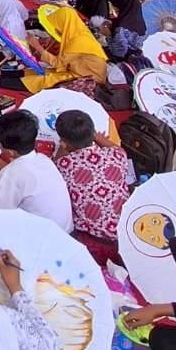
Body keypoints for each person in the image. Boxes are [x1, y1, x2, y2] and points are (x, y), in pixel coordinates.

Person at [0, 110, 73, 231]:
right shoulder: (43, 159)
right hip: (64, 230)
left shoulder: (13, 172)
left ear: (10, 152)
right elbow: (17, 174)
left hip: (36, 238)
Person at [54, 109, 129, 254]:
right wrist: (92, 134)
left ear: (64, 143)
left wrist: (62, 147)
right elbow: (117, 149)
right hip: (126, 234)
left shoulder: (63, 165)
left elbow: (57, 160)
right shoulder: (117, 155)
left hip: (91, 241)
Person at [23, 5, 107, 93]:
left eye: (57, 25)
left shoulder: (80, 41)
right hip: (80, 72)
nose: (56, 29)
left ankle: (12, 82)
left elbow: (57, 63)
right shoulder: (78, 34)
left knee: (45, 80)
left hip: (89, 79)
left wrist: (37, 46)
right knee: (36, 72)